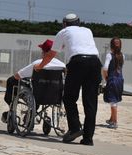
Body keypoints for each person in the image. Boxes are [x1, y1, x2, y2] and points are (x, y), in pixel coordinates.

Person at [34, 13, 101, 146]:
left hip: (78, 62)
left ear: (64, 24)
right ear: (79, 22)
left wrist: (40, 66)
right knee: (90, 102)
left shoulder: (63, 32)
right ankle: (88, 139)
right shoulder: (88, 31)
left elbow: (51, 54)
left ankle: (75, 127)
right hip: (95, 63)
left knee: (69, 98)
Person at [2, 39, 65, 122]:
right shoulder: (62, 65)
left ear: (43, 51)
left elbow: (17, 76)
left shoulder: (38, 63)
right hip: (55, 96)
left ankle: (12, 107)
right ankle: (33, 113)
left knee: (11, 80)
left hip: (37, 95)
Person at [102, 37, 124, 129]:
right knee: (115, 99)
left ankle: (114, 122)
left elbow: (105, 68)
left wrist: (106, 78)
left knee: (112, 101)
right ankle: (111, 119)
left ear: (111, 45)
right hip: (120, 79)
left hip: (112, 79)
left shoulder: (109, 55)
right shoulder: (123, 55)